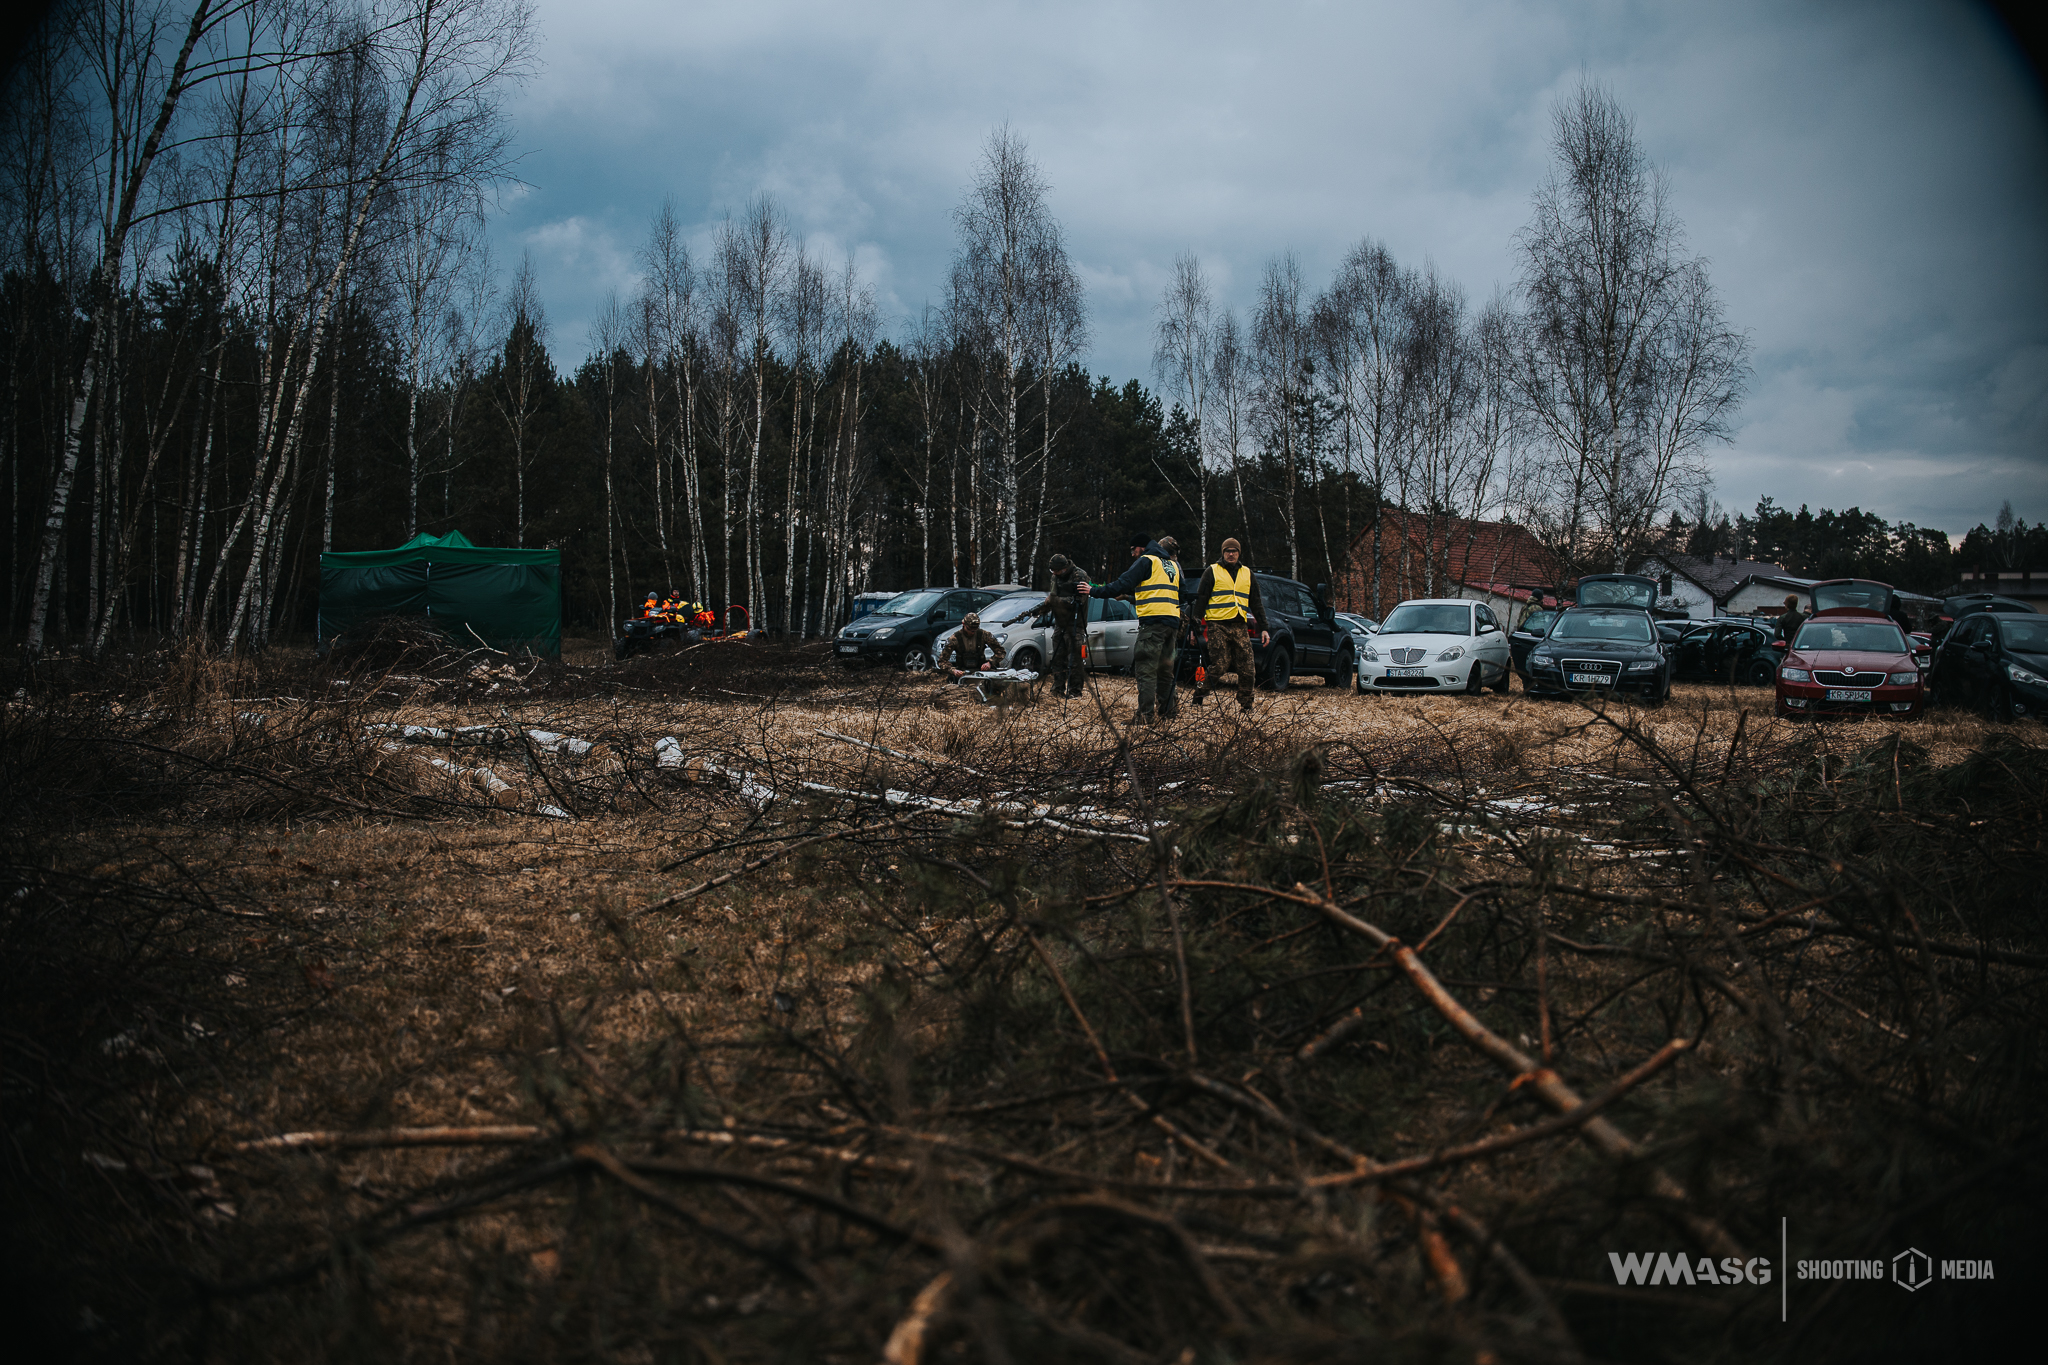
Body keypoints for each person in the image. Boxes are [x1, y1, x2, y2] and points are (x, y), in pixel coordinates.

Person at [1100, 532, 1184, 723]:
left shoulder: (1147, 561)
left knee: (1146, 670)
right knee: (1165, 671)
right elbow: (1182, 593)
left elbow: (1122, 583)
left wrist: (1094, 591)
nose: (1132, 554)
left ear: (1142, 547)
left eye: (1133, 550)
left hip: (1152, 624)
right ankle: (1168, 712)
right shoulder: (1172, 565)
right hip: (1172, 624)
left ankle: (1145, 715)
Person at [1187, 538, 1270, 713]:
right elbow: (1200, 601)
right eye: (1227, 551)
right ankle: (1199, 694)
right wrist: (1194, 628)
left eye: (1234, 551)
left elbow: (1256, 602)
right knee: (1220, 665)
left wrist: (1264, 628)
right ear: (1223, 553)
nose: (1231, 554)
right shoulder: (1212, 571)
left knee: (1248, 667)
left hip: (1239, 625)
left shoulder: (1247, 573)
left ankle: (1246, 705)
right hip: (1217, 625)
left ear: (1239, 553)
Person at [1029, 553, 1090, 698]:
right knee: (1057, 658)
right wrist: (1040, 609)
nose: (1054, 573)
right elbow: (1052, 597)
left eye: (1056, 570)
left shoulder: (1079, 575)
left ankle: (1075, 691)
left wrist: (1054, 601)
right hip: (1060, 624)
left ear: (1064, 568)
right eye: (1052, 571)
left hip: (1076, 624)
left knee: (1074, 660)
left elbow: (1078, 600)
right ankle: (1058, 689)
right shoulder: (1055, 577)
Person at [937, 611, 1006, 683]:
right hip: (962, 674)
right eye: (969, 629)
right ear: (963, 624)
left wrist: (990, 663)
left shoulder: (984, 635)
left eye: (975, 629)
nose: (972, 632)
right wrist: (953, 671)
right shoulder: (954, 639)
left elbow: (1001, 652)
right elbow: (942, 661)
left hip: (981, 673)